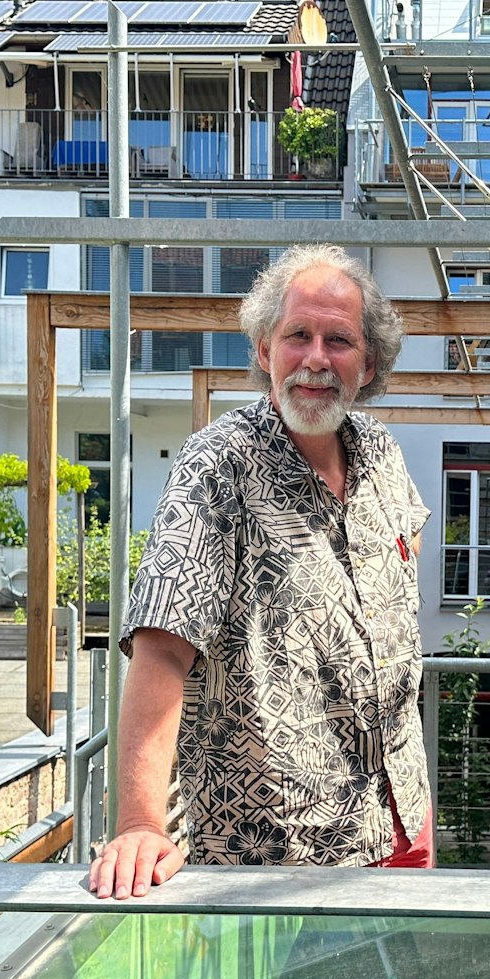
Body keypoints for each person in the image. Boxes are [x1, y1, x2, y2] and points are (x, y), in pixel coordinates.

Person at [89, 244, 432, 900]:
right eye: (298, 335)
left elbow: (406, 542)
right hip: (278, 854)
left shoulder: (381, 453)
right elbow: (162, 647)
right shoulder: (217, 466)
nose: (316, 358)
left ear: (368, 364)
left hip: (402, 815)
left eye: (339, 340)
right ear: (263, 349)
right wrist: (139, 824)